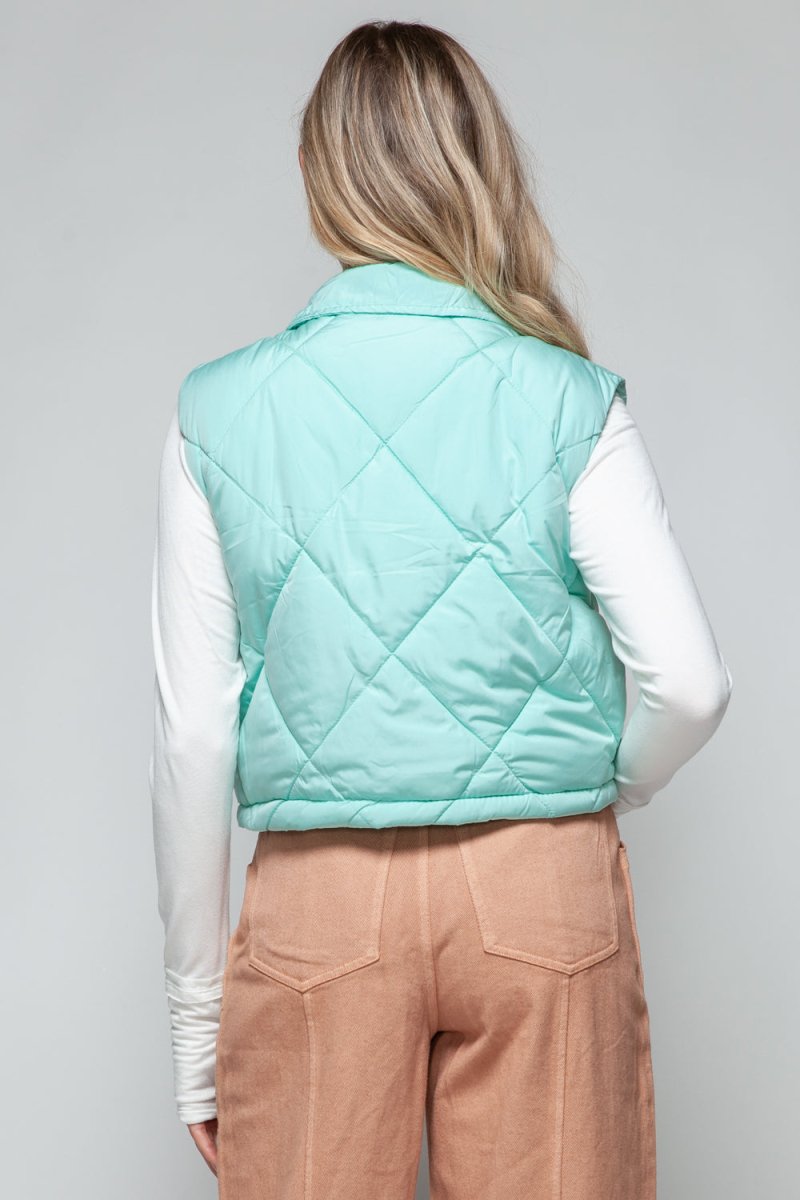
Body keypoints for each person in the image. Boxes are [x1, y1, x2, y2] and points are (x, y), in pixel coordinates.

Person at [149, 19, 733, 1199]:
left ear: (317, 171)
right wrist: (599, 784)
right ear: (477, 160)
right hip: (540, 888)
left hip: (319, 905)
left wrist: (194, 1020)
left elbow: (193, 738)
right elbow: (688, 685)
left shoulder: (215, 411)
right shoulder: (569, 396)